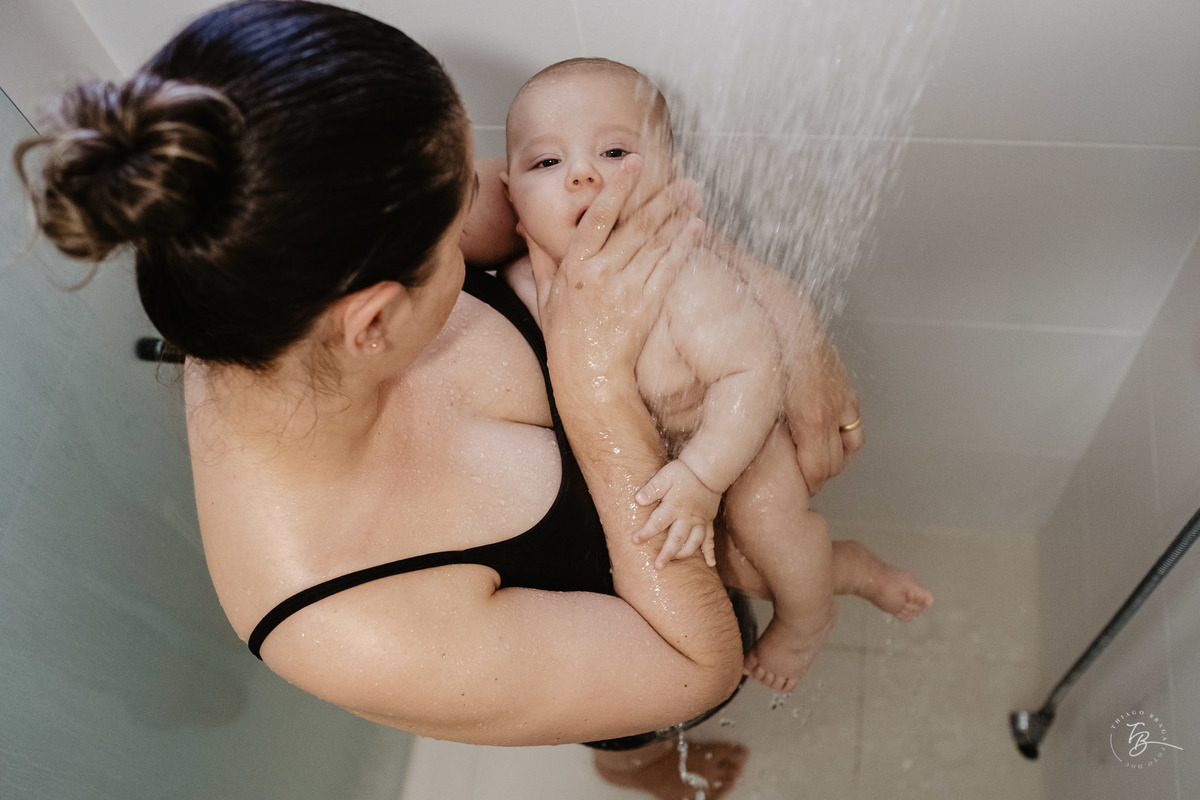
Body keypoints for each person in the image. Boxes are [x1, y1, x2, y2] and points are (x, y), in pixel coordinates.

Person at [13, 2, 858, 796]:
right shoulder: (347, 624)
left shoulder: (310, 238)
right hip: (638, 641)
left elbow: (613, 227)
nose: (490, 190)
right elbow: (690, 669)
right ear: (374, 318)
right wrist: (593, 387)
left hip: (691, 519)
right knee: (629, 739)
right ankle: (636, 775)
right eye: (464, 189)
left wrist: (791, 322)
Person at [501, 58, 934, 694]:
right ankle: (855, 570)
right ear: (509, 192)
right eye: (546, 163)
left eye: (614, 150)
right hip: (663, 463)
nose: (583, 175)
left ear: (671, 175)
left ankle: (807, 619)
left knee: (767, 529)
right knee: (736, 568)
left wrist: (704, 476)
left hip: (742, 440)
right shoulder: (519, 287)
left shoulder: (683, 276)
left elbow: (752, 370)